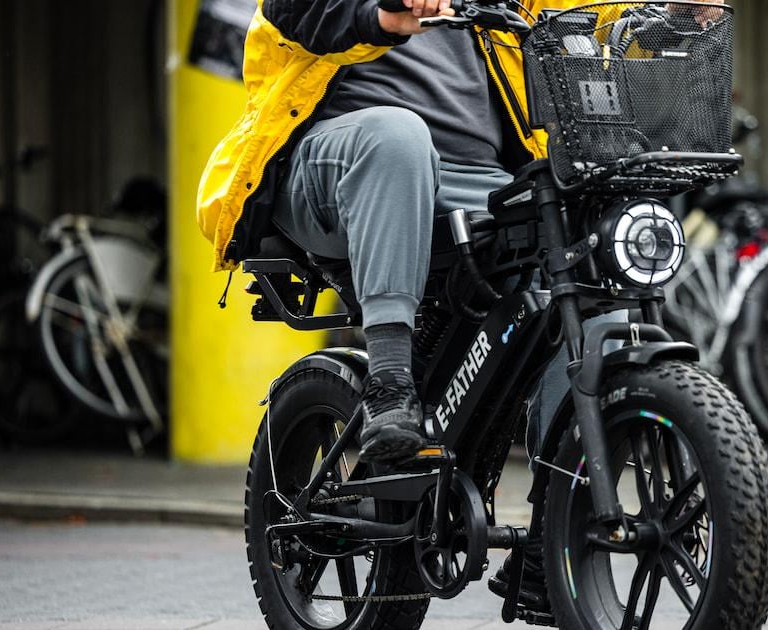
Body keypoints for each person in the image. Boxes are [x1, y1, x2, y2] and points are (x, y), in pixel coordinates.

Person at [196, 0, 725, 614]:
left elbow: (584, 11)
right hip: (337, 161)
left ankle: (553, 537)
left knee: (584, 224)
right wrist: (377, 13)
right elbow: (298, 10)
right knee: (397, 136)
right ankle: (389, 384)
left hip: (477, 180)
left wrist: (670, 12)